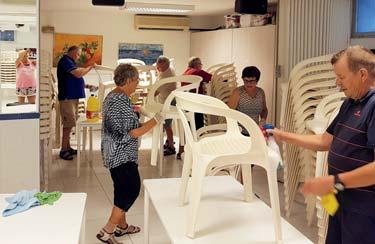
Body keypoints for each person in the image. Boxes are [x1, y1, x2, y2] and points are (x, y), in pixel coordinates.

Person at [270, 46, 375, 244]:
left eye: (341, 77)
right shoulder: (350, 103)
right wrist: (283, 135)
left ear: (362, 74)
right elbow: (324, 141)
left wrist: (335, 181)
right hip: (341, 200)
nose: (337, 83)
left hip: (364, 209)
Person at [96, 64, 163, 244]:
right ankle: (107, 230)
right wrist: (156, 120)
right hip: (121, 154)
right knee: (131, 189)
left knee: (121, 189)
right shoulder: (120, 101)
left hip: (112, 152)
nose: (137, 83)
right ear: (127, 80)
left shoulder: (115, 96)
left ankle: (122, 227)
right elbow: (132, 133)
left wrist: (136, 111)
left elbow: (123, 123)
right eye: (136, 80)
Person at [57, 45, 97, 160]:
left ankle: (68, 147)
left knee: (70, 124)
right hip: (67, 98)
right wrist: (90, 67)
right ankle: (63, 150)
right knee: (68, 125)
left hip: (72, 98)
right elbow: (78, 74)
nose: (78, 57)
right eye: (78, 54)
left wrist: (87, 86)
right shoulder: (65, 61)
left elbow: (74, 79)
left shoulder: (70, 62)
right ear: (73, 52)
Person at [227, 66, 268, 134]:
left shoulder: (261, 92)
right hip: (239, 132)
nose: (248, 84)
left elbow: (264, 110)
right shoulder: (237, 92)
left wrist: (263, 120)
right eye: (246, 80)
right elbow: (229, 113)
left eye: (251, 81)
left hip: (255, 131)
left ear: (257, 80)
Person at [155, 56, 177, 156]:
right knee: (168, 123)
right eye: (158, 67)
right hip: (168, 99)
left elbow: (155, 92)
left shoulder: (166, 76)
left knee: (166, 125)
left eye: (160, 68)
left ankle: (171, 146)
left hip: (168, 101)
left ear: (166, 65)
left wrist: (145, 95)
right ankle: (169, 141)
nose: (158, 69)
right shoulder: (169, 68)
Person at [182, 57, 212, 129]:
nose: (201, 66)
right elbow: (213, 78)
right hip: (196, 101)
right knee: (198, 125)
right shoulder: (199, 72)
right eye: (201, 64)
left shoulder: (185, 73)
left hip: (185, 102)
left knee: (190, 125)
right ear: (197, 64)